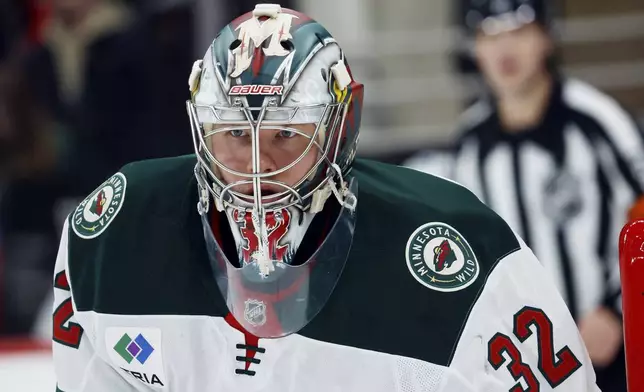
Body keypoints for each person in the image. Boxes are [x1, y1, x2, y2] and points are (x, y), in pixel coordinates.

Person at [51, 4, 600, 391]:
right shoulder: (113, 232)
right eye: (236, 134)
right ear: (201, 128)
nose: (259, 168)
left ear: (340, 129)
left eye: (286, 134)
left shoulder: (459, 255)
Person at [407, 0, 644, 390]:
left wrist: (618, 311)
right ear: (474, 47)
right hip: (526, 368)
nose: (505, 50)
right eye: (489, 35)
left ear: (546, 36)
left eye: (518, 31)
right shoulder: (470, 145)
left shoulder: (599, 122)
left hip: (612, 360)